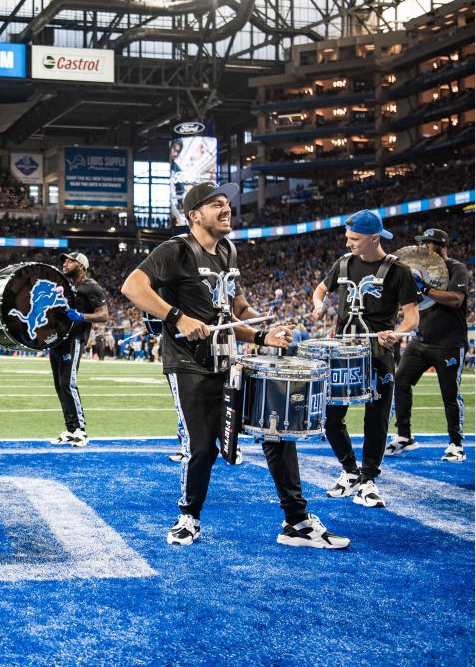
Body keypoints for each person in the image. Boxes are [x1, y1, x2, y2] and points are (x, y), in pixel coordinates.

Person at [120, 182, 349, 549]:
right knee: (202, 447)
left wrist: (263, 334)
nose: (226, 210)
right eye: (216, 205)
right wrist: (177, 317)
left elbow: (236, 309)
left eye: (227, 204)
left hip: (230, 361)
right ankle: (189, 517)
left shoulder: (227, 250)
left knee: (277, 432)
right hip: (190, 364)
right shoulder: (175, 250)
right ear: (194, 215)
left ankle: (297, 523)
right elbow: (132, 287)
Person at [311, 209, 420, 509]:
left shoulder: (399, 272)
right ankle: (350, 471)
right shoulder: (343, 263)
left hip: (379, 352)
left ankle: (369, 479)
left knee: (377, 417)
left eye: (354, 239)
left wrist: (396, 333)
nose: (348, 244)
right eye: (347, 238)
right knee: (331, 418)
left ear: (374, 238)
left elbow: (412, 317)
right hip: (343, 352)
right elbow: (320, 290)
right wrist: (319, 305)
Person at [388, 228, 471, 462]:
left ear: (441, 247)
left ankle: (456, 444)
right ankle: (404, 436)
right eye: (422, 244)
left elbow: (456, 300)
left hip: (449, 343)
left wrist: (425, 288)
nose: (423, 248)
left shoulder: (456, 268)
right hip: (421, 340)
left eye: (428, 244)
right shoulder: (418, 271)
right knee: (400, 380)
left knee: (450, 394)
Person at [48, 252, 109, 447]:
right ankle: (70, 429)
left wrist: (81, 316)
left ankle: (81, 431)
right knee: (59, 385)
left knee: (68, 383)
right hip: (57, 339)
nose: (65, 263)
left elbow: (103, 315)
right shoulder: (65, 286)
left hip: (74, 339)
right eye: (64, 260)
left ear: (81, 265)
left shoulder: (90, 286)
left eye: (70, 260)